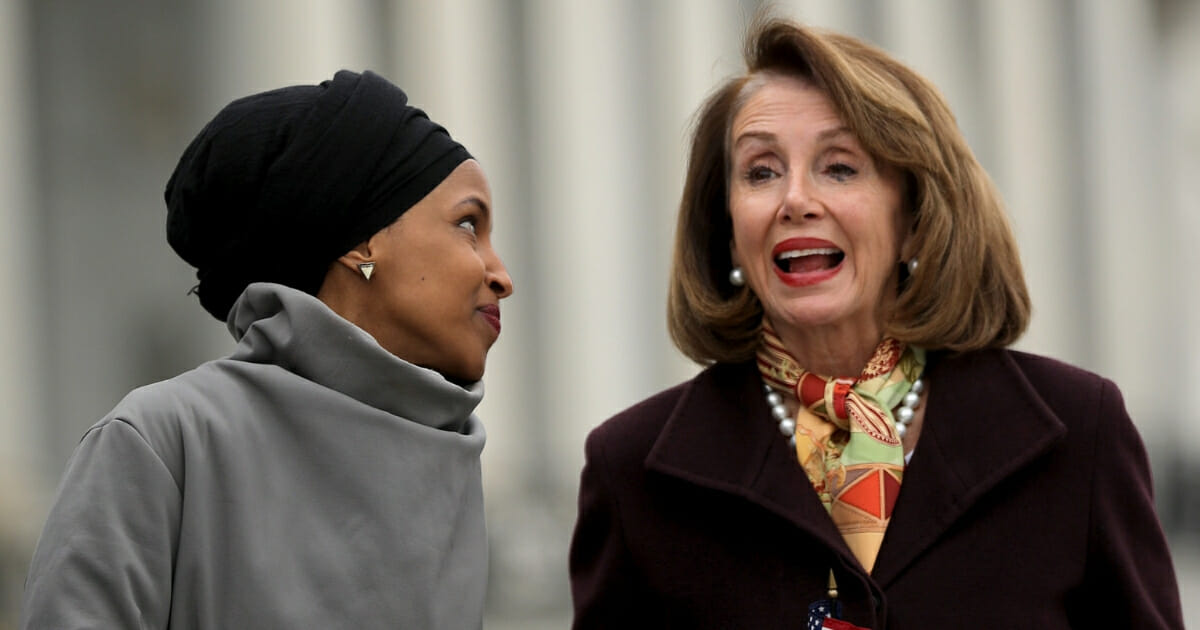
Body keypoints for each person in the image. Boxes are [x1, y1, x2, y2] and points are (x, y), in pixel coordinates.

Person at [568, 18, 1182, 629]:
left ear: (914, 220)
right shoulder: (632, 474)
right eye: (761, 171)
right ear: (729, 236)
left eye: (840, 167)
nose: (795, 200)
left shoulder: (1079, 434)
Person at [21, 70, 513, 629]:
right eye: (469, 225)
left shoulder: (452, 455)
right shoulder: (163, 442)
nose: (501, 275)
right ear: (360, 243)